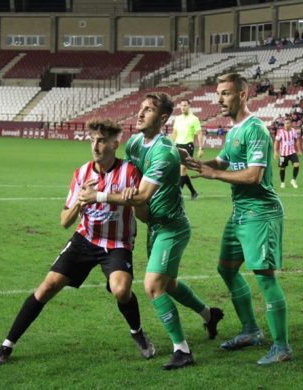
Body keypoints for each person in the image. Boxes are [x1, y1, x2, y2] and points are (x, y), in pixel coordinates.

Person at [0, 119, 155, 366]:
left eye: (101, 141)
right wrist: (79, 201)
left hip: (117, 243)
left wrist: (136, 200)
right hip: (85, 239)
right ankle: (7, 345)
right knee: (47, 287)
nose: (95, 146)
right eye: (92, 141)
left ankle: (137, 332)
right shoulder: (81, 173)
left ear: (114, 144)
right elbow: (65, 221)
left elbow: (145, 217)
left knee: (121, 290)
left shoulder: (129, 172)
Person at [80, 92, 224, 370]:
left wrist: (98, 196)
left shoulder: (162, 152)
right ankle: (209, 315)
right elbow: (127, 174)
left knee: (153, 286)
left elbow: (142, 195)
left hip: (172, 227)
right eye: (141, 108)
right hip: (153, 226)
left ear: (163, 118)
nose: (140, 113)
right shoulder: (134, 143)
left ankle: (182, 350)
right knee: (168, 285)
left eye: (148, 110)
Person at [187, 73, 292, 365]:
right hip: (240, 213)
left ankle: (282, 346)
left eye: (225, 94)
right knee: (227, 269)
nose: (219, 99)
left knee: (265, 277)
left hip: (260, 212)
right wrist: (195, 164)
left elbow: (254, 175)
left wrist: (214, 174)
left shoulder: (255, 128)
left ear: (242, 95)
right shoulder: (233, 131)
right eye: (218, 94)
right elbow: (222, 161)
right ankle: (251, 330)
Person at [171, 99, 203, 200]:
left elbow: (199, 134)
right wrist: (171, 144)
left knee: (182, 169)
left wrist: (200, 148)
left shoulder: (194, 119)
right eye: (181, 105)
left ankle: (178, 193)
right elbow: (174, 132)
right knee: (182, 172)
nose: (182, 107)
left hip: (188, 145)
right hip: (177, 145)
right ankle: (193, 192)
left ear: (189, 106)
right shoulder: (178, 118)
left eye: (185, 105)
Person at [274, 118, 302, 189]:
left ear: (290, 124)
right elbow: (276, 142)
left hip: (292, 152)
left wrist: (299, 150)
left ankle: (293, 180)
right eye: (285, 123)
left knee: (297, 164)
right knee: (282, 168)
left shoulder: (293, 131)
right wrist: (275, 151)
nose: (286, 125)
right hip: (283, 154)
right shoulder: (280, 132)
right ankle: (282, 182)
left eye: (288, 123)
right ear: (284, 124)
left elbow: (297, 140)